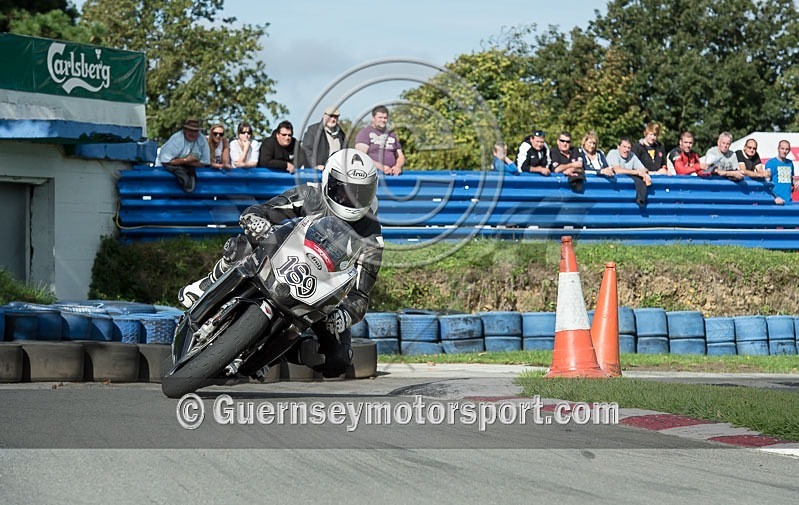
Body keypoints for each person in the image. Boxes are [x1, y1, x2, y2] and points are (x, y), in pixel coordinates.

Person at [178, 148, 383, 378]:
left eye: (360, 193)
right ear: (329, 182)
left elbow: (361, 295)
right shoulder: (312, 194)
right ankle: (210, 282)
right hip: (286, 255)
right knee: (244, 243)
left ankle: (277, 354)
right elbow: (267, 209)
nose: (352, 199)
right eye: (344, 191)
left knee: (339, 359)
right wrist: (256, 219)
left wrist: (343, 316)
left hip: (321, 291)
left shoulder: (371, 234)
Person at [156, 118, 211, 192]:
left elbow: (205, 162)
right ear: (184, 130)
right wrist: (187, 160)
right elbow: (165, 161)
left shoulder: (202, 140)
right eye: (190, 130)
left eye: (196, 131)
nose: (193, 133)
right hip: (163, 173)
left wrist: (180, 161)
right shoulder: (176, 140)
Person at [355, 105, 404, 175]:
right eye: (380, 117)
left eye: (385, 118)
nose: (383, 120)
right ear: (373, 118)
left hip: (392, 175)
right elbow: (360, 156)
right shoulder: (365, 133)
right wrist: (381, 167)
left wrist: (397, 166)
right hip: (372, 175)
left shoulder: (391, 134)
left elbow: (400, 155)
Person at [606, 137, 653, 207]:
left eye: (628, 148)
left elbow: (643, 169)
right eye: (624, 147)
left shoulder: (632, 155)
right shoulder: (613, 153)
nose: (626, 150)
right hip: (612, 190)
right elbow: (618, 170)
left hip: (627, 191)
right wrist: (637, 172)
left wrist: (645, 174)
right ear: (618, 147)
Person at [764, 140, 797, 205]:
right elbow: (766, 185)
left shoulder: (790, 163)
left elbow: (791, 180)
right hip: (775, 202)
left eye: (787, 149)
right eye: (782, 148)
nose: (784, 151)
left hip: (788, 201)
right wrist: (774, 198)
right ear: (778, 149)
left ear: (789, 150)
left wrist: (796, 182)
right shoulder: (770, 163)